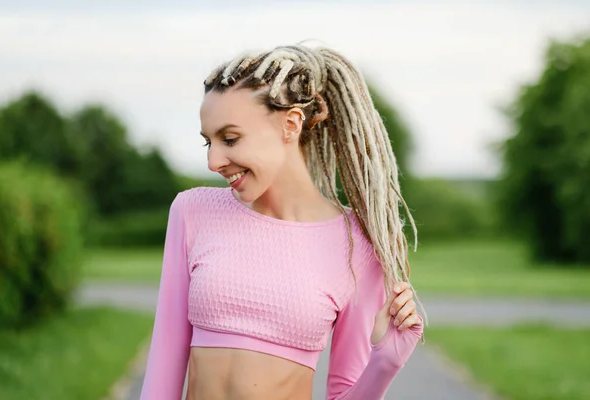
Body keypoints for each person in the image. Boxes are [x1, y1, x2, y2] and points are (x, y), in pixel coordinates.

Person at [140, 43, 426, 400]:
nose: (214, 161)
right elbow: (162, 371)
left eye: (230, 139)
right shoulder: (193, 211)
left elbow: (343, 392)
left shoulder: (356, 244)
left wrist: (386, 362)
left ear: (290, 124)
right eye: (208, 143)